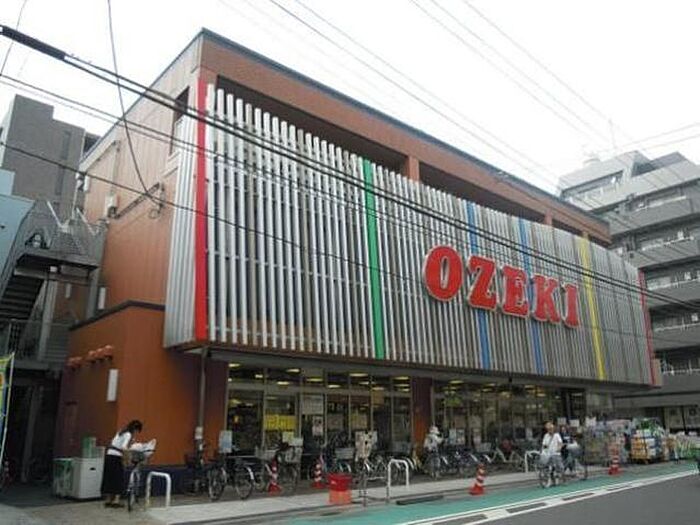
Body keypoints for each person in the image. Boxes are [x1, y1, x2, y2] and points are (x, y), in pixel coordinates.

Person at [101, 420, 143, 508]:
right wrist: (128, 459)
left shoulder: (121, 432)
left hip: (109, 455)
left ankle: (108, 500)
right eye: (137, 431)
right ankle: (116, 501)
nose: (136, 434)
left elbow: (114, 443)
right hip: (116, 457)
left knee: (109, 477)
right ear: (135, 429)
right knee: (118, 478)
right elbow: (124, 447)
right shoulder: (128, 434)